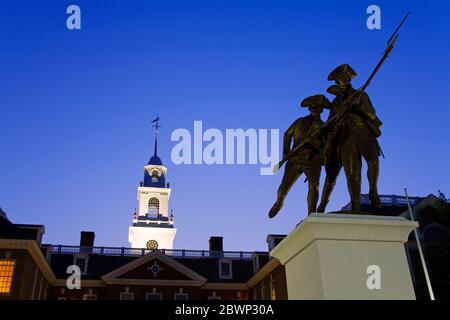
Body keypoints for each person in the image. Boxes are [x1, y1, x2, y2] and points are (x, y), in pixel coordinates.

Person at [317, 64, 382, 212]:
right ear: (337, 83)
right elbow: (329, 122)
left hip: (362, 131)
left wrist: (359, 106)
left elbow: (372, 114)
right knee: (353, 174)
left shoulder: (361, 95)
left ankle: (373, 190)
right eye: (340, 79)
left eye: (345, 78)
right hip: (345, 137)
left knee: (373, 161)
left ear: (349, 80)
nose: (343, 81)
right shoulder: (335, 103)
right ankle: (356, 205)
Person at [268, 94, 329, 218]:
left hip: (312, 161)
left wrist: (314, 141)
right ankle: (279, 203)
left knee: (314, 185)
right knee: (284, 187)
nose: (314, 109)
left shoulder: (324, 126)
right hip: (295, 159)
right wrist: (286, 151)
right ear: (309, 108)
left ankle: (311, 213)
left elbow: (326, 147)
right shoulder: (300, 121)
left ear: (321, 109)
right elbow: (287, 134)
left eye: (317, 107)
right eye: (312, 107)